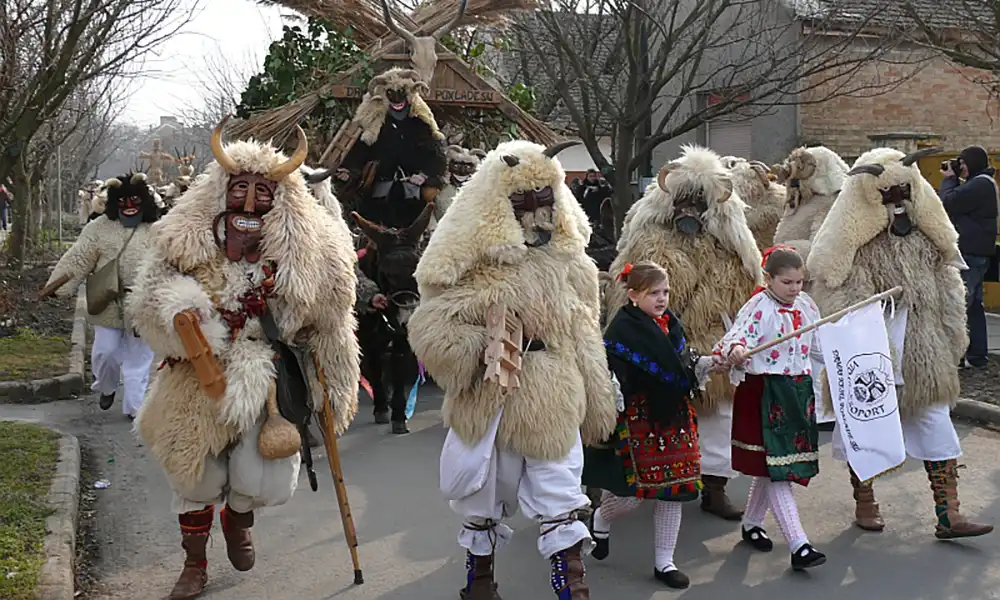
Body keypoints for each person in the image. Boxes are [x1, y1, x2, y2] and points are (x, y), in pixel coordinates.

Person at [127, 117, 361, 599]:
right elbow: (148, 299)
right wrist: (183, 315)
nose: (250, 201)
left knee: (263, 475)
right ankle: (194, 563)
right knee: (194, 471)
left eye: (264, 192)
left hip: (267, 373)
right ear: (220, 191)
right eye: (240, 189)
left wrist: (313, 345)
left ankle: (238, 517)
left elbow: (334, 312)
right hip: (197, 373)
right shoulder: (182, 240)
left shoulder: (311, 252)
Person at [409, 139, 617, 600]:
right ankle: (479, 583)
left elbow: (585, 329)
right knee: (482, 498)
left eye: (546, 200)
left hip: (554, 393)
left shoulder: (570, 262)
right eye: (525, 202)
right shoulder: (471, 264)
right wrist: (484, 346)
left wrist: (598, 395)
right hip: (491, 395)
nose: (538, 214)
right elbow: (431, 326)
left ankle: (573, 590)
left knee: (562, 494)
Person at [810, 146, 993, 539]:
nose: (898, 204)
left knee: (936, 424)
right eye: (889, 197)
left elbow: (947, 283)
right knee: (867, 424)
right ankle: (866, 501)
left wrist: (952, 334)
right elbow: (838, 287)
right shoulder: (858, 242)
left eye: (903, 195)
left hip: (923, 349)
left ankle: (949, 514)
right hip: (874, 350)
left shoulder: (925, 239)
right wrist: (868, 307)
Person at [584, 260, 719, 589]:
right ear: (632, 295)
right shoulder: (621, 331)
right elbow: (612, 378)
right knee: (634, 495)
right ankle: (601, 517)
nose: (662, 299)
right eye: (653, 293)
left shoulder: (671, 324)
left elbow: (682, 363)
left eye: (665, 292)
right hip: (641, 420)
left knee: (674, 493)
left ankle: (665, 561)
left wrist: (707, 364)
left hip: (676, 417)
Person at [715, 245, 827, 571]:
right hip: (764, 391)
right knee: (778, 470)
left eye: (799, 282)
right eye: (787, 283)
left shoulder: (806, 307)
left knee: (775, 465)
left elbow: (820, 346)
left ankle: (752, 523)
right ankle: (798, 544)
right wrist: (736, 349)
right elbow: (737, 337)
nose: (794, 289)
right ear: (769, 279)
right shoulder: (758, 307)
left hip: (795, 390)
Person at [42, 173, 160, 420]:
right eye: (123, 201)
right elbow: (79, 257)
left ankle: (135, 408)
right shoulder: (99, 228)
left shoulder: (158, 230)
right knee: (104, 352)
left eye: (135, 200)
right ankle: (106, 386)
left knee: (138, 360)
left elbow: (173, 262)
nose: (129, 207)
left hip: (143, 304)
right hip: (107, 303)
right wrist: (58, 286)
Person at [939, 146, 998, 368]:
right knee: (973, 305)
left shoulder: (980, 184)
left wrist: (949, 179)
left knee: (961, 305)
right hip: (976, 253)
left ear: (971, 163)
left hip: (971, 254)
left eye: (962, 163)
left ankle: (959, 355)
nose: (960, 168)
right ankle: (977, 355)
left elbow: (947, 203)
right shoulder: (981, 183)